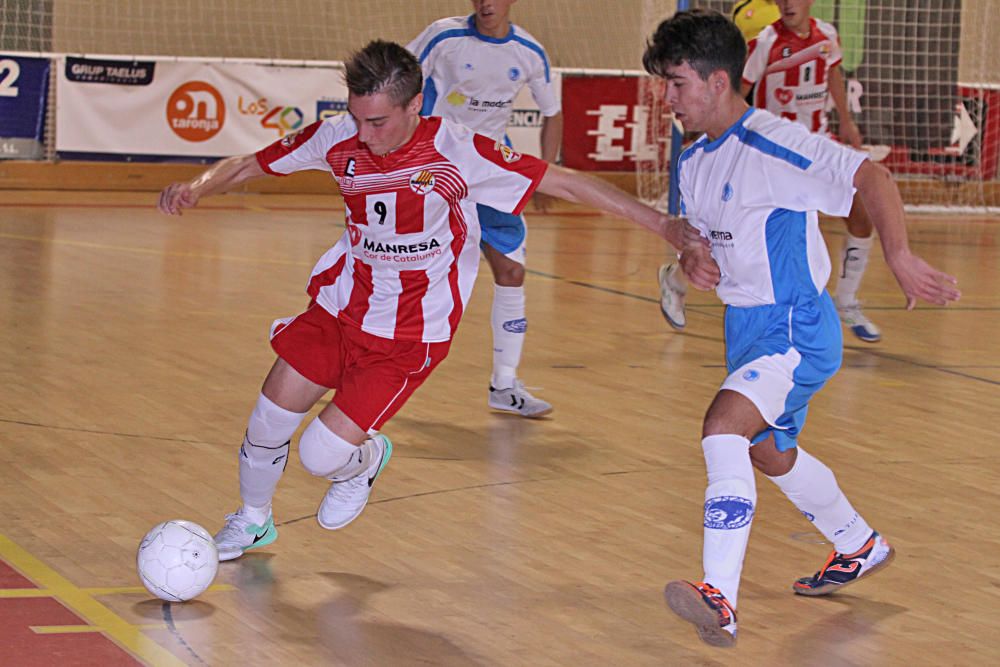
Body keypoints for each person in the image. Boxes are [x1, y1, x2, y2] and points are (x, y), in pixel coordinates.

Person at [158, 40, 699, 562]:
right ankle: (252, 519)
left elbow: (567, 184)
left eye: (379, 122)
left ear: (416, 104)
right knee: (267, 418)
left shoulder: (458, 152)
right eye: (357, 118)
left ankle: (365, 459)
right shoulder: (338, 136)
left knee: (319, 456)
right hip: (341, 307)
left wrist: (664, 225)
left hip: (409, 334)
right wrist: (199, 186)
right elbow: (254, 162)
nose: (365, 136)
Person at [642, 10, 959, 648]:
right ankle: (857, 542)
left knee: (723, 427)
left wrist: (898, 257)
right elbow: (700, 238)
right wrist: (691, 257)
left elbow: (872, 175)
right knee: (765, 451)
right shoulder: (695, 159)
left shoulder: (772, 142)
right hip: (745, 327)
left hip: (796, 325)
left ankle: (719, 599)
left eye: (676, 83)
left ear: (718, 80)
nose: (666, 98)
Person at [658, 0, 882, 343]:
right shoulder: (765, 42)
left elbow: (832, 75)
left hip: (811, 143)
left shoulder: (827, 36)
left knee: (861, 217)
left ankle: (847, 300)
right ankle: (677, 277)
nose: (787, 3)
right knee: (725, 238)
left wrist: (847, 123)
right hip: (770, 153)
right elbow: (737, 90)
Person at [406, 0, 563, 418]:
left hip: (491, 171)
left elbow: (553, 114)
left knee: (511, 271)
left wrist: (544, 172)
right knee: (400, 267)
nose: (485, 3)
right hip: (436, 167)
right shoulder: (443, 36)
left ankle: (505, 384)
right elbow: (398, 81)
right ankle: (348, 360)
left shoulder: (529, 52)